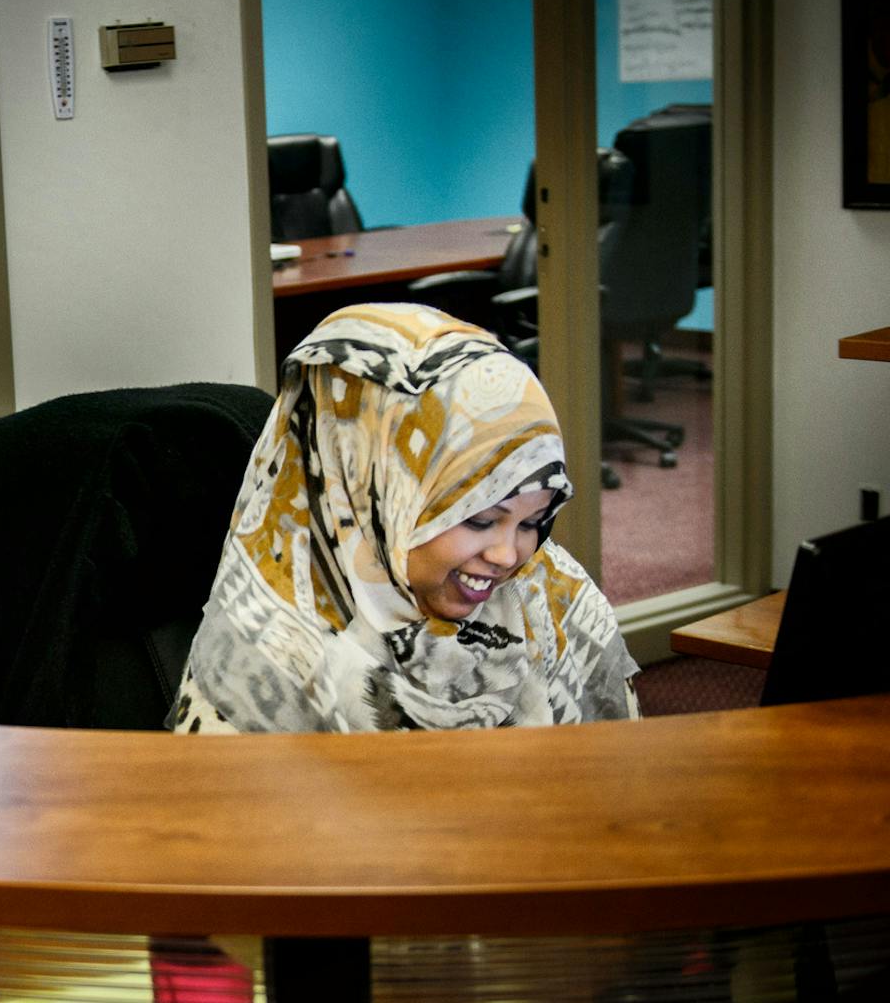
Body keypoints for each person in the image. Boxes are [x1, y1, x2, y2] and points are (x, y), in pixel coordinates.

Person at [174, 303, 638, 733]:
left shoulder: (552, 594)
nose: (507, 556)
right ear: (372, 495)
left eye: (532, 522)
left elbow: (622, 771)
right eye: (479, 521)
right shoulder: (265, 656)